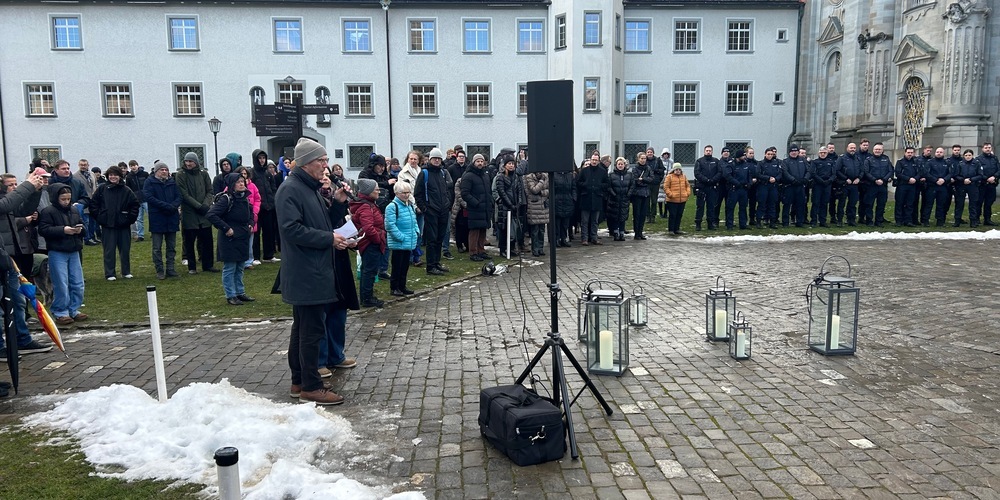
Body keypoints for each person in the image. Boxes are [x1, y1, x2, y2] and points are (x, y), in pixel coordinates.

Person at [277, 137, 352, 405]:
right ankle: (311, 386)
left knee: (304, 329)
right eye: (321, 160)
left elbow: (322, 224)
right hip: (305, 271)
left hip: (316, 269)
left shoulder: (310, 189)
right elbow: (291, 229)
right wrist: (329, 240)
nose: (325, 165)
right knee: (310, 332)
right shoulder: (291, 189)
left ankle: (300, 381)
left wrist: (340, 204)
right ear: (307, 162)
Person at [0, 168, 52, 360]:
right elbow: (6, 205)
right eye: (10, 185)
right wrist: (28, 185)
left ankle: (22, 339)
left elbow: (22, 210)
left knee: (18, 301)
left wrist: (35, 190)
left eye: (16, 184)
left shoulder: (7, 198)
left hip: (9, 257)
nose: (14, 188)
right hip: (3, 257)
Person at [37, 182, 85, 325]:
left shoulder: (74, 210)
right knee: (61, 283)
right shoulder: (48, 211)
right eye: (63, 199)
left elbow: (83, 225)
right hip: (57, 251)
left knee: (77, 282)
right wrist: (63, 230)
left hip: (74, 249)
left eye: (68, 199)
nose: (66, 202)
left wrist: (80, 230)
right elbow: (43, 230)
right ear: (55, 198)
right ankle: (60, 311)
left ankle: (74, 309)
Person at [208, 173, 255, 306]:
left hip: (242, 236)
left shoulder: (244, 198)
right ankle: (231, 295)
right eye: (238, 182)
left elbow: (251, 212)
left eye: (243, 181)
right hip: (229, 237)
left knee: (240, 266)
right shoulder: (226, 199)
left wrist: (251, 222)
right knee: (230, 267)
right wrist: (226, 228)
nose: (241, 184)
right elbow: (211, 214)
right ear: (232, 184)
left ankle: (240, 292)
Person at [91, 165, 139, 280]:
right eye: (111, 175)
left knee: (125, 250)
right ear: (108, 176)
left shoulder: (126, 190)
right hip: (108, 225)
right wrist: (100, 217)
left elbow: (135, 205)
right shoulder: (102, 189)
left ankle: (126, 271)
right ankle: (110, 273)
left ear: (120, 176)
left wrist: (129, 219)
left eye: (115, 175)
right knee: (109, 250)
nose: (113, 177)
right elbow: (93, 204)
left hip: (123, 226)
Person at [176, 152, 217, 274]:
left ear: (196, 162)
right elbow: (184, 194)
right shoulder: (180, 175)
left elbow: (210, 191)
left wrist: (205, 205)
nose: (188, 164)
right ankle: (192, 267)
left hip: (204, 212)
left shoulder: (203, 174)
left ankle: (208, 264)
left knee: (207, 240)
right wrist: (198, 206)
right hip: (190, 212)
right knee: (189, 241)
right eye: (186, 161)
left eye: (191, 161)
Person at [350, 179, 387, 308]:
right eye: (376, 189)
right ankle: (367, 298)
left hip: (371, 242)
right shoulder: (366, 206)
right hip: (370, 243)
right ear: (369, 191)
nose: (378, 191)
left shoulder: (369, 204)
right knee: (369, 271)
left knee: (369, 270)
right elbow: (368, 227)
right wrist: (378, 239)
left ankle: (367, 296)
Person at [414, 148, 451, 274]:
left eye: (439, 158)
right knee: (432, 239)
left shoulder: (442, 173)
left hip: (443, 210)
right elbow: (417, 194)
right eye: (435, 158)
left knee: (440, 238)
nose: (437, 160)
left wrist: (447, 204)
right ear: (430, 159)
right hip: (431, 211)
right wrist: (425, 209)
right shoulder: (424, 173)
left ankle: (436, 262)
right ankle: (430, 266)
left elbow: (446, 191)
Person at [143, 161, 181, 280]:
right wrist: (165, 206)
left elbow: (179, 196)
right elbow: (149, 197)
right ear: (156, 171)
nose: (164, 172)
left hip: (171, 218)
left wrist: (173, 206)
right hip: (157, 218)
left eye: (166, 169)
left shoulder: (172, 182)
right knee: (157, 248)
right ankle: (159, 269)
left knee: (171, 246)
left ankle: (170, 268)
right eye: (161, 170)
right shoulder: (149, 182)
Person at [385, 181, 419, 296]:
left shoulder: (409, 205)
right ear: (397, 193)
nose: (406, 195)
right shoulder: (392, 206)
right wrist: (400, 237)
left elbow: (414, 220)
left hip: (409, 240)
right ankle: (394, 287)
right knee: (397, 266)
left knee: (405, 266)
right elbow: (390, 225)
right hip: (399, 241)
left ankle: (402, 286)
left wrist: (416, 231)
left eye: (408, 192)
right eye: (403, 192)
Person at [460, 153, 492, 261]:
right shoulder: (468, 175)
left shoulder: (485, 175)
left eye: (482, 161)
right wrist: (475, 203)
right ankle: (473, 252)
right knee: (474, 231)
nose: (480, 163)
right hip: (475, 208)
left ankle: (481, 250)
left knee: (483, 230)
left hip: (485, 207)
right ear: (474, 162)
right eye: (478, 161)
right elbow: (464, 193)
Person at [250, 149, 279, 263]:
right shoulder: (252, 173)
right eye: (260, 158)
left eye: (263, 158)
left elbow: (273, 189)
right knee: (256, 233)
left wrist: (272, 203)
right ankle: (255, 256)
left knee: (269, 232)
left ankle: (269, 255)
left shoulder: (268, 174)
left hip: (269, 207)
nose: (262, 160)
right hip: (257, 208)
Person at [494, 155, 525, 255]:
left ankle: (511, 248)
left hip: (515, 206)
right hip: (505, 207)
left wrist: (518, 203)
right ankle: (503, 249)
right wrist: (510, 204)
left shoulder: (516, 177)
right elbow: (502, 192)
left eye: (513, 164)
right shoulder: (500, 177)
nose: (511, 166)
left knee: (514, 228)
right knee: (504, 229)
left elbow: (519, 190)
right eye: (509, 164)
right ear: (505, 165)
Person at [576, 151, 608, 245]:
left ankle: (594, 237)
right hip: (586, 198)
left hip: (597, 198)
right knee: (584, 221)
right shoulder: (584, 171)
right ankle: (584, 238)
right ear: (590, 160)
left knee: (595, 221)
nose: (594, 162)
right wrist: (585, 185)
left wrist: (599, 186)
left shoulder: (602, 172)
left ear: (598, 161)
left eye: (596, 160)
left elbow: (607, 183)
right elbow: (578, 182)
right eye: (592, 160)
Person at [861, 143, 893, 227]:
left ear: (882, 150)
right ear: (873, 150)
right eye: (876, 149)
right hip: (871, 185)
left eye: (879, 149)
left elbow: (890, 171)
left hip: (883, 185)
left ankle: (879, 221)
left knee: (881, 204)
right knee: (869, 204)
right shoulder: (868, 160)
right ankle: (869, 221)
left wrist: (884, 179)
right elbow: (866, 172)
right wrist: (875, 180)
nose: (877, 151)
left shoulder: (886, 159)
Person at [237, 166, 262, 270]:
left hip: (251, 216)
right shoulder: (233, 186)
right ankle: (239, 260)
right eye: (241, 173)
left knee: (250, 240)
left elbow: (257, 199)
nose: (243, 175)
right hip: (239, 218)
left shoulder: (253, 185)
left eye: (245, 173)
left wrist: (255, 211)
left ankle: (248, 261)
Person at [694, 145, 722, 230]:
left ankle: (710, 224)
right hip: (702, 187)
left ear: (712, 151)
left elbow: (720, 172)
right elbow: (697, 173)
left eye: (710, 150)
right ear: (704, 151)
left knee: (711, 206)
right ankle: (698, 223)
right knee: (700, 206)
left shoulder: (716, 161)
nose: (708, 152)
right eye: (707, 150)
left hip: (712, 188)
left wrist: (713, 180)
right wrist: (706, 180)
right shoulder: (699, 161)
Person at [922, 147, 952, 227]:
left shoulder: (947, 162)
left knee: (941, 205)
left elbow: (950, 174)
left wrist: (944, 180)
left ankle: (940, 222)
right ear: (935, 153)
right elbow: (926, 173)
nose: (939, 153)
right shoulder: (930, 162)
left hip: (943, 186)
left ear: (943, 153)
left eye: (941, 152)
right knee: (928, 204)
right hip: (931, 186)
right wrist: (935, 180)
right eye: (937, 152)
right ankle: (925, 221)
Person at [952, 149, 983, 227]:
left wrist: (971, 180)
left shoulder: (976, 164)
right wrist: (963, 180)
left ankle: (973, 221)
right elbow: (956, 175)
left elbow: (980, 175)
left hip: (973, 185)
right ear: (964, 156)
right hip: (962, 185)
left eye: (969, 155)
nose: (968, 157)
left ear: (972, 156)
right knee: (959, 204)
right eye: (966, 155)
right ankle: (957, 220)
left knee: (973, 204)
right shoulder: (960, 164)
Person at [835, 142, 864, 226]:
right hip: (844, 184)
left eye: (854, 148)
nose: (853, 149)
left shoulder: (858, 159)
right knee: (842, 203)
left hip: (854, 184)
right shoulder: (842, 158)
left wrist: (858, 178)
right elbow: (837, 170)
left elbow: (862, 170)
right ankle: (839, 220)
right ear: (847, 148)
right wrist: (845, 178)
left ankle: (851, 220)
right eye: (851, 148)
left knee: (853, 203)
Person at [781, 146, 810, 227]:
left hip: (800, 186)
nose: (794, 153)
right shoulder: (785, 161)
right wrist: (793, 180)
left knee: (800, 204)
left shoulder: (803, 160)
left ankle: (799, 222)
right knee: (787, 204)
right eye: (792, 151)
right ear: (789, 152)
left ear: (798, 152)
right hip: (790, 186)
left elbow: (808, 170)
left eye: (795, 151)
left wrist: (805, 179)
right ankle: (785, 222)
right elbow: (785, 172)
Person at [72, 158, 98, 245]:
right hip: (84, 200)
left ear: (88, 165)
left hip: (93, 200)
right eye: (81, 165)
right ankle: (87, 238)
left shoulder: (92, 174)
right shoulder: (75, 176)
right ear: (79, 165)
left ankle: (93, 236)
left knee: (93, 221)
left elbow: (95, 186)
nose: (83, 167)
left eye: (85, 165)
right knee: (86, 220)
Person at [606, 157, 633, 242]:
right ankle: (615, 233)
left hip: (624, 199)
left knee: (623, 216)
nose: (620, 166)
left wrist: (628, 194)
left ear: (625, 165)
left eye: (622, 164)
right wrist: (613, 194)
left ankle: (622, 232)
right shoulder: (611, 174)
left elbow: (632, 185)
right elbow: (608, 186)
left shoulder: (629, 174)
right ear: (616, 165)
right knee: (615, 217)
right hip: (614, 199)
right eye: (619, 164)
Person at [724, 149, 752, 230]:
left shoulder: (746, 164)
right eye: (743, 156)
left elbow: (749, 175)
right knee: (730, 207)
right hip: (734, 189)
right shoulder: (731, 165)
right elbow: (728, 176)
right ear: (738, 157)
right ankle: (729, 225)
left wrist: (749, 183)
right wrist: (737, 183)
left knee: (743, 207)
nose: (744, 157)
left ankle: (743, 224)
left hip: (744, 189)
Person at [756, 147, 783, 229]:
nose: (770, 155)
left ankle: (772, 222)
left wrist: (776, 179)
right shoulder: (760, 163)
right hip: (763, 186)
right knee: (762, 204)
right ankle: (759, 221)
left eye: (771, 154)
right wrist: (768, 178)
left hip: (773, 186)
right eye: (768, 154)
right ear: (765, 154)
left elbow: (780, 173)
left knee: (772, 204)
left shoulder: (776, 163)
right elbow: (758, 174)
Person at [893, 147, 921, 227]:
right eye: (908, 152)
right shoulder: (900, 162)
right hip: (902, 185)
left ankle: (908, 220)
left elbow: (919, 173)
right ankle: (899, 220)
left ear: (914, 153)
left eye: (911, 152)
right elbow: (898, 173)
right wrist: (908, 179)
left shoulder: (916, 162)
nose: (910, 154)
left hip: (912, 186)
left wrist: (915, 179)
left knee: (910, 204)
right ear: (905, 153)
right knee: (900, 203)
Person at [523, 170, 548, 256]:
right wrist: (541, 182)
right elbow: (534, 190)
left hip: (543, 207)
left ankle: (541, 248)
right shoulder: (529, 177)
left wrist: (542, 192)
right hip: (533, 206)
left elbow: (548, 190)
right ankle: (535, 249)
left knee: (542, 230)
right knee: (535, 230)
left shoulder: (546, 176)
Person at [810, 147, 836, 227]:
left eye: (824, 152)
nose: (823, 154)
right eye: (821, 152)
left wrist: (829, 181)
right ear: (819, 153)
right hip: (817, 185)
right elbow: (813, 173)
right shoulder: (815, 162)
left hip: (827, 185)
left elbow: (834, 174)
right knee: (816, 203)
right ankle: (814, 221)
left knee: (824, 203)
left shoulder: (831, 162)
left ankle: (823, 221)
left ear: (827, 153)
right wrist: (821, 181)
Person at [630, 152, 652, 239]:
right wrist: (643, 181)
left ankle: (640, 232)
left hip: (646, 193)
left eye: (644, 158)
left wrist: (643, 179)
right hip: (637, 194)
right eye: (641, 158)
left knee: (643, 214)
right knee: (637, 214)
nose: (643, 160)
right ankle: (636, 232)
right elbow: (635, 180)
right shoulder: (635, 169)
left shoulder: (648, 168)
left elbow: (651, 179)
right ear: (638, 159)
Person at [125, 160, 149, 241]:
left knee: (151, 215)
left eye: (134, 165)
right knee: (139, 218)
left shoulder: (145, 174)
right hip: (137, 200)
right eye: (131, 166)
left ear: (137, 165)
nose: (133, 167)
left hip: (146, 199)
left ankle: (154, 231)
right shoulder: (129, 177)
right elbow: (128, 189)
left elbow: (149, 185)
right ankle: (140, 235)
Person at [977, 142, 998, 226]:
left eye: (989, 147)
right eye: (986, 147)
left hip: (992, 184)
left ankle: (987, 219)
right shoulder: (978, 159)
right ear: (982, 149)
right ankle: (976, 219)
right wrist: (987, 178)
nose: (988, 149)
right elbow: (979, 171)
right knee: (979, 202)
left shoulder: (995, 159)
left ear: (991, 148)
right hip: (982, 184)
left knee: (989, 203)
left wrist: (994, 177)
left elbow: (998, 169)